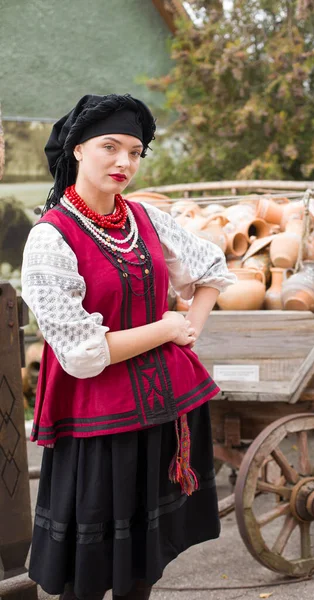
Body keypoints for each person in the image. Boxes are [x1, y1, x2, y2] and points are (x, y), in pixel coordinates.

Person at [21, 93, 236, 600]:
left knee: (143, 568)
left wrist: (189, 329)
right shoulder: (50, 239)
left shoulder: (143, 218)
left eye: (136, 152)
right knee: (86, 578)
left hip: (161, 413)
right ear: (76, 149)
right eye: (110, 147)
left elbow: (211, 268)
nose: (124, 162)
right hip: (98, 425)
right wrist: (167, 328)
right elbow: (82, 354)